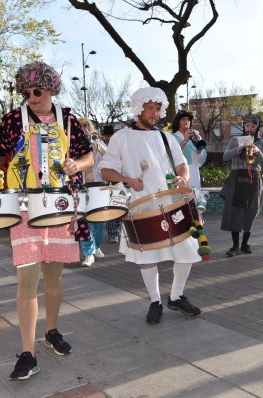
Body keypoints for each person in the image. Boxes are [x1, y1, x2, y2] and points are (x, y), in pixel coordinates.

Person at [0, 61, 93, 381]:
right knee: (27, 280)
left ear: (52, 88)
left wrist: (78, 165)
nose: (31, 96)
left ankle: (52, 331)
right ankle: (28, 353)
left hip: (60, 207)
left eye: (37, 90)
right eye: (26, 91)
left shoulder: (69, 121)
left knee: (55, 278)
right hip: (23, 208)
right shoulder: (12, 120)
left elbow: (89, 156)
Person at [99, 87, 202, 325]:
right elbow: (105, 169)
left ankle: (176, 296)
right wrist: (127, 180)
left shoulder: (166, 137)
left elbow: (182, 165)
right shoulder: (121, 137)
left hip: (171, 203)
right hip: (141, 206)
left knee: (187, 251)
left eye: (157, 109)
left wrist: (182, 178)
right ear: (138, 108)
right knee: (147, 257)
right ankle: (155, 301)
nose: (154, 114)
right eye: (150, 108)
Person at [221, 114, 263, 256]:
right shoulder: (235, 140)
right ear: (244, 126)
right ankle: (235, 246)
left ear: (257, 127)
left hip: (254, 178)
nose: (250, 128)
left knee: (251, 211)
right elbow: (225, 157)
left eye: (253, 126)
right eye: (247, 125)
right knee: (235, 211)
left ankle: (244, 244)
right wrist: (239, 148)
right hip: (237, 177)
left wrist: (258, 152)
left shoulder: (262, 143)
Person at [79, 116, 106, 267]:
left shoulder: (97, 142)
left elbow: (109, 156)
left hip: (98, 185)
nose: (83, 128)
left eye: (86, 125)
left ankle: (96, 246)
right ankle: (88, 253)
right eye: (80, 126)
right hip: (81, 187)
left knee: (99, 220)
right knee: (84, 220)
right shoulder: (73, 144)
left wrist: (95, 142)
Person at [171, 111, 207, 191]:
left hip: (194, 173)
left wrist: (199, 150)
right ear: (178, 121)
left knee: (195, 199)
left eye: (188, 119)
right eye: (183, 119)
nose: (186, 122)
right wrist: (185, 140)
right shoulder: (172, 137)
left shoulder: (196, 136)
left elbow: (200, 160)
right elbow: (172, 155)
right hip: (180, 173)